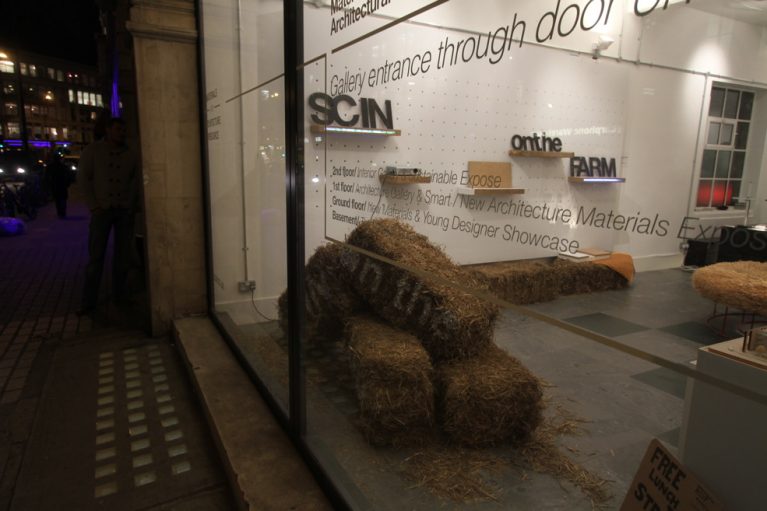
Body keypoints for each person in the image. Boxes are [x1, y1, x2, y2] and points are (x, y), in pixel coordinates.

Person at [77, 118, 140, 315]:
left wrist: (130, 205)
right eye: (118, 129)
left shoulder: (131, 154)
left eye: (124, 129)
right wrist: (94, 206)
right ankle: (88, 303)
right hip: (102, 211)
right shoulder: (93, 151)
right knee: (96, 257)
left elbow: (135, 182)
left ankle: (120, 298)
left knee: (123, 257)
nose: (122, 133)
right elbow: (83, 179)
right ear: (108, 130)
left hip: (123, 211)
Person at [47, 152, 73, 218]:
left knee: (58, 200)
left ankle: (60, 212)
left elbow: (46, 176)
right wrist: (68, 183)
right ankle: (62, 212)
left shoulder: (50, 166)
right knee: (62, 199)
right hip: (62, 184)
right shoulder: (63, 166)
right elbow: (69, 175)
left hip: (56, 185)